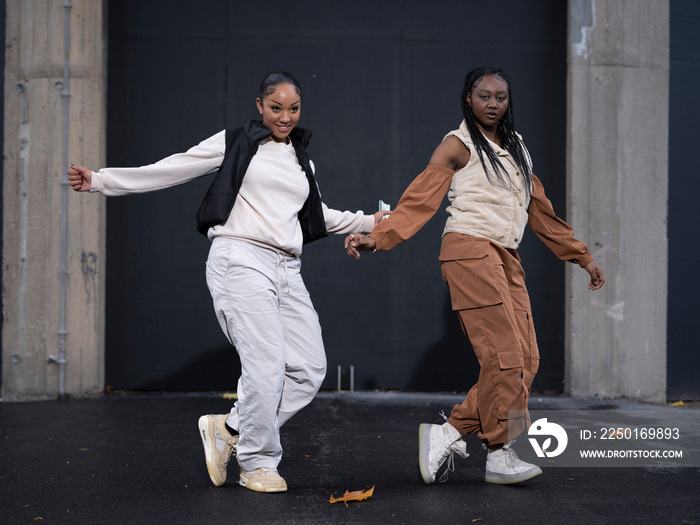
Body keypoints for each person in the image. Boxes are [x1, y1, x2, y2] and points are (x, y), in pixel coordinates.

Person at [68, 71, 389, 493]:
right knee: (266, 365)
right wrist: (103, 181)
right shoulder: (235, 141)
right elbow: (172, 168)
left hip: (286, 268)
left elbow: (314, 214)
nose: (285, 117)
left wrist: (369, 220)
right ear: (259, 105)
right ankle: (257, 462)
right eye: (276, 107)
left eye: (293, 109)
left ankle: (231, 427)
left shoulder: (300, 159)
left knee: (309, 369)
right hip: (240, 259)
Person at [345, 66, 604, 485]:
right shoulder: (457, 145)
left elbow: (540, 210)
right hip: (468, 251)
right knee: (503, 357)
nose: (493, 104)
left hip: (506, 255)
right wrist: (378, 236)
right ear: (469, 97)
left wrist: (581, 256)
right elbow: (418, 202)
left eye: (500, 97)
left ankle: (449, 433)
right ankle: (500, 452)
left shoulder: (517, 147)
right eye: (484, 96)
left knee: (526, 361)